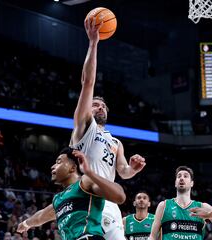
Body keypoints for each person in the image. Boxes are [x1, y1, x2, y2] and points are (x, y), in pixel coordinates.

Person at [69, 15, 146, 240]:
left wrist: (132, 169)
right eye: (95, 104)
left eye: (103, 105)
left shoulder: (116, 142)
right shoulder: (84, 125)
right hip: (85, 195)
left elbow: (122, 172)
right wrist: (93, 43)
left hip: (109, 200)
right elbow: (88, 82)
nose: (99, 107)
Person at [16, 147, 126, 240]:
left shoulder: (85, 182)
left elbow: (120, 196)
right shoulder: (58, 199)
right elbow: (40, 217)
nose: (53, 166)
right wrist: (26, 224)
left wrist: (89, 172)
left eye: (58, 162)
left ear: (73, 168)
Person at [149, 166, 212, 240]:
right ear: (175, 183)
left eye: (185, 176)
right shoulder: (164, 206)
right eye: (179, 176)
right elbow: (152, 237)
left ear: (192, 183)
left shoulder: (202, 207)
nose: (182, 178)